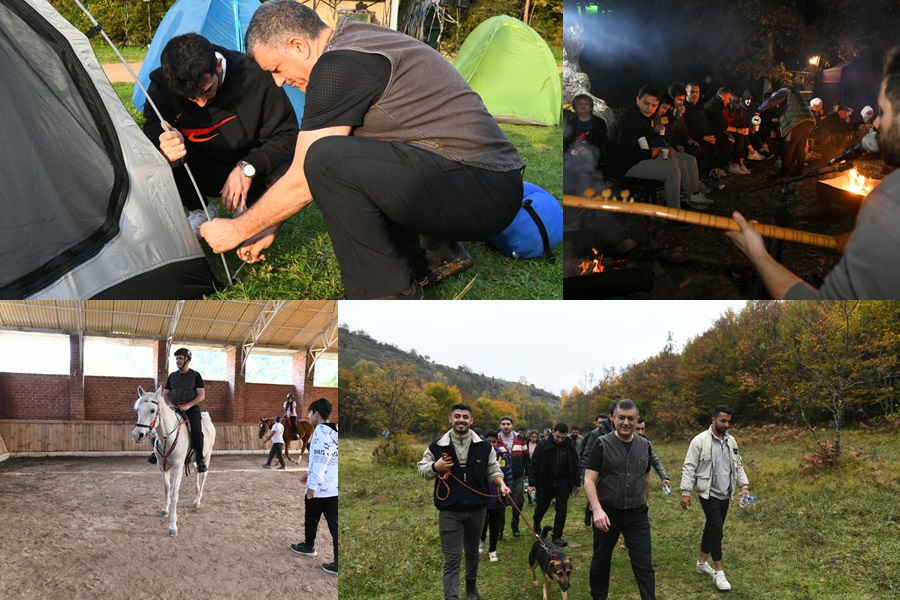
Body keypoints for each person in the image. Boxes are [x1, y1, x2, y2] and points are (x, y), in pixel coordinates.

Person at [200, 0, 525, 300]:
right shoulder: (355, 42)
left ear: (297, 46)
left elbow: (305, 175)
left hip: (479, 186)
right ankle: (433, 256)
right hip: (478, 181)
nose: (279, 82)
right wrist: (271, 222)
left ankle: (384, 294)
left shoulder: (339, 65)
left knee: (328, 160)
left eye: (276, 69)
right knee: (345, 155)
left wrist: (238, 228)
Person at [728, 46, 900, 299]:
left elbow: (818, 304)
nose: (875, 123)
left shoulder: (890, 200)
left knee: (790, 149)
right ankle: (796, 169)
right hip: (807, 123)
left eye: (883, 112)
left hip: (798, 123)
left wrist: (758, 256)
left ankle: (785, 174)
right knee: (798, 149)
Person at [142, 33, 299, 237]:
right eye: (189, 97)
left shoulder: (255, 76)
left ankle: (251, 209)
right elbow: (154, 123)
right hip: (200, 164)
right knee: (159, 154)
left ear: (217, 65)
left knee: (287, 164)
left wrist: (247, 167)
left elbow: (287, 135)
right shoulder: (163, 82)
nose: (201, 103)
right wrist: (164, 140)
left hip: (249, 163)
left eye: (207, 91)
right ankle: (200, 210)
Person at [418, 403, 511, 600]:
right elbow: (422, 469)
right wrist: (436, 466)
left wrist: (501, 484)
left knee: (472, 552)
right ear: (450, 419)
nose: (461, 420)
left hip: (477, 509)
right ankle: (451, 596)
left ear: (471, 420)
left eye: (465, 417)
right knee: (452, 558)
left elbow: (493, 469)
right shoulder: (436, 445)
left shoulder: (485, 446)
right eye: (457, 416)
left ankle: (471, 589)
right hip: (449, 510)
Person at [583, 399, 656, 600]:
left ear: (637, 420)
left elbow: (646, 477)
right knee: (601, 560)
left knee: (644, 563)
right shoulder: (601, 443)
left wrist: (643, 501)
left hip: (636, 514)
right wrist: (596, 509)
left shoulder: (645, 445)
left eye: (630, 418)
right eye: (621, 417)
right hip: (607, 512)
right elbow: (589, 479)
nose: (626, 422)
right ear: (613, 418)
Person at [681, 405, 751, 592]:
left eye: (728, 421)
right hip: (707, 493)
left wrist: (744, 486)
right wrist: (686, 492)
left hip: (725, 493)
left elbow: (738, 464)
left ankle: (702, 563)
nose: (726, 424)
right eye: (723, 421)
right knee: (716, 529)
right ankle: (719, 572)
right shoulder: (699, 441)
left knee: (712, 527)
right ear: (713, 420)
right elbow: (689, 466)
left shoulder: (731, 441)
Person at [290, 397, 338, 575]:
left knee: (311, 517)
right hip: (334, 487)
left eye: (310, 413)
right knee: (335, 526)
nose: (309, 416)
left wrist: (313, 484)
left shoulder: (319, 432)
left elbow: (319, 459)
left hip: (320, 489)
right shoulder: (336, 432)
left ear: (316, 414)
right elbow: (330, 460)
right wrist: (309, 474)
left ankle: (309, 546)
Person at [149, 347, 207, 472]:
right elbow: (165, 394)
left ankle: (200, 460)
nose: (178, 361)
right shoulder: (172, 376)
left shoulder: (196, 376)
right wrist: (169, 404)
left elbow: (201, 395)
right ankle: (156, 453)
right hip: (174, 409)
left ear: (187, 360)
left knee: (197, 431)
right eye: (176, 358)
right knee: (156, 427)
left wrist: (189, 405)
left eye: (180, 358)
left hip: (191, 409)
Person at [528, 423, 580, 547]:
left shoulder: (569, 446)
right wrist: (532, 484)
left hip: (563, 483)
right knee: (542, 507)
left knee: (562, 510)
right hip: (545, 482)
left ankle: (557, 535)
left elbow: (575, 464)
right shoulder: (543, 444)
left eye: (563, 437)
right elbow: (534, 464)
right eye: (558, 436)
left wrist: (576, 483)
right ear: (553, 432)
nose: (560, 440)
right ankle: (536, 523)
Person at [480, 430, 513, 562]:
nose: (492, 444)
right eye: (489, 442)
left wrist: (507, 492)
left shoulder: (502, 457)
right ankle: (481, 540)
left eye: (494, 442)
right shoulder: (478, 456)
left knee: (495, 525)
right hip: (481, 499)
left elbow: (508, 475)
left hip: (497, 499)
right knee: (482, 524)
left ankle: (493, 549)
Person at [497, 416, 529, 537]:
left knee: (518, 502)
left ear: (512, 425)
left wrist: (528, 474)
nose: (506, 426)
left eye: (508, 424)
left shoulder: (520, 439)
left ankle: (515, 524)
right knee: (500, 506)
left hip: (517, 477)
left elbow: (526, 457)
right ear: (500, 426)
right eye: (503, 424)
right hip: (500, 479)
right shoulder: (496, 439)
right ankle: (500, 530)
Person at [635, 418, 670, 490]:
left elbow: (655, 460)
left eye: (642, 429)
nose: (640, 432)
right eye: (637, 429)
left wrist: (664, 477)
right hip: (627, 480)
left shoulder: (647, 443)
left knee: (644, 500)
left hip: (644, 477)